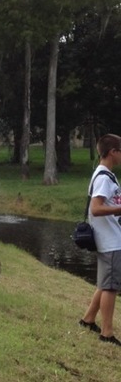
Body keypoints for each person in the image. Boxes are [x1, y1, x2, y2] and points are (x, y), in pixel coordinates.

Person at [79, 133, 121, 346]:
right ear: (113, 152)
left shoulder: (104, 174)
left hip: (109, 239)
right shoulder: (104, 177)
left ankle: (88, 319)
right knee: (110, 287)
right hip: (110, 241)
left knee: (105, 284)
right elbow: (96, 208)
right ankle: (107, 333)